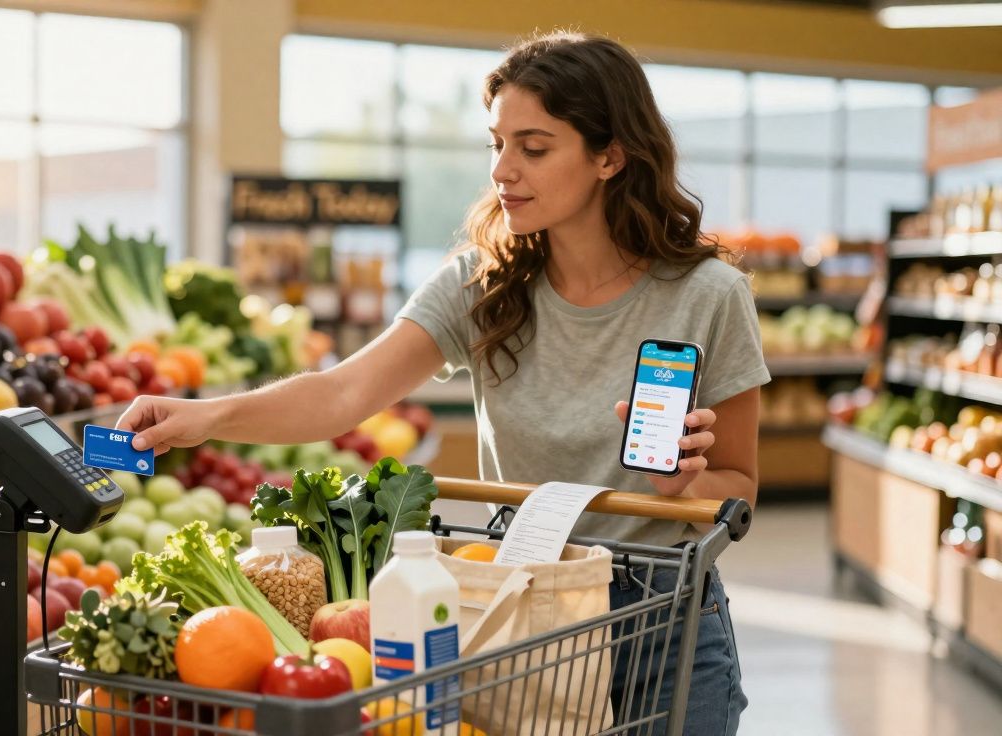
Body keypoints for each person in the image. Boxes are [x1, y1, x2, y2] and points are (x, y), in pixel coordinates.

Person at [119, 30, 764, 734]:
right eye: (497, 145)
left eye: (534, 148)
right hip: (527, 616)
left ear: (610, 156)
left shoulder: (710, 294)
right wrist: (206, 416)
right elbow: (343, 394)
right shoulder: (481, 283)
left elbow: (738, 486)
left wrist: (684, 487)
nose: (504, 170)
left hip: (665, 625)